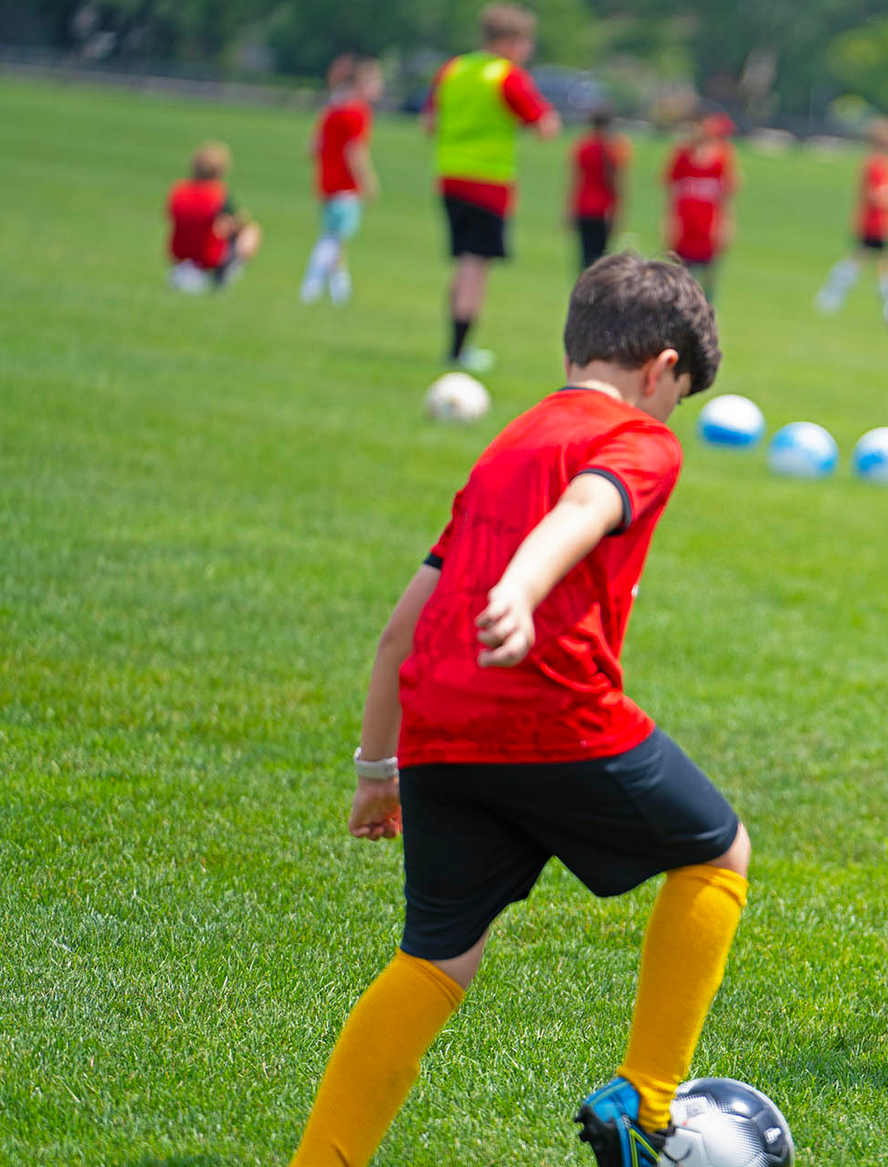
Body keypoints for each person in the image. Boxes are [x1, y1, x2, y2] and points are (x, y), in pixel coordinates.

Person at [290, 254, 745, 1167]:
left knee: (434, 961)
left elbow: (397, 632)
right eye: (678, 394)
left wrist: (377, 772)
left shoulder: (508, 443)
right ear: (660, 369)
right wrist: (524, 589)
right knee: (718, 853)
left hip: (437, 736)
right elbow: (588, 505)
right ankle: (650, 1106)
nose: (670, 414)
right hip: (552, 714)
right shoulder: (643, 441)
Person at [422, 3, 560, 372]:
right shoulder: (506, 76)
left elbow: (429, 123)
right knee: (474, 265)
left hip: (449, 176)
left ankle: (455, 342)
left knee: (463, 261)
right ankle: (459, 349)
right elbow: (545, 126)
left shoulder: (453, 69)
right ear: (511, 41)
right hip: (488, 183)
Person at [300, 55, 383, 306]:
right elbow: (354, 152)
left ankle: (340, 292)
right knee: (333, 239)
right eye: (375, 83)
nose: (378, 89)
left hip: (326, 183)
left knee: (337, 239)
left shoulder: (333, 109)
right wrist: (367, 181)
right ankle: (311, 285)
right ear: (361, 85)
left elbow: (312, 147)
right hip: (346, 187)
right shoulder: (357, 112)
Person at [814, 117, 888, 319]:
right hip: (875, 223)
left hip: (882, 223)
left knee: (871, 262)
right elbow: (876, 195)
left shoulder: (886, 164)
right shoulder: (876, 164)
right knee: (879, 264)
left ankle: (832, 297)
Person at [165, 141, 261, 293]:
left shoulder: (179, 191)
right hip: (207, 257)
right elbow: (234, 223)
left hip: (179, 255)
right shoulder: (217, 195)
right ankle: (222, 277)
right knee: (251, 231)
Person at [664, 113, 737, 301]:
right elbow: (671, 196)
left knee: (709, 281)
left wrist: (725, 226)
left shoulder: (720, 159)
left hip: (709, 229)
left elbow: (726, 198)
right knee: (681, 280)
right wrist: (669, 225)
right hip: (684, 229)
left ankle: (708, 318)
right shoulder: (681, 158)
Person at [571, 108, 632, 272]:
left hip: (583, 206)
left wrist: (570, 208)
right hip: (604, 209)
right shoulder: (613, 148)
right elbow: (616, 183)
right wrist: (620, 210)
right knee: (601, 260)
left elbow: (575, 179)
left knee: (585, 256)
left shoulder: (583, 146)